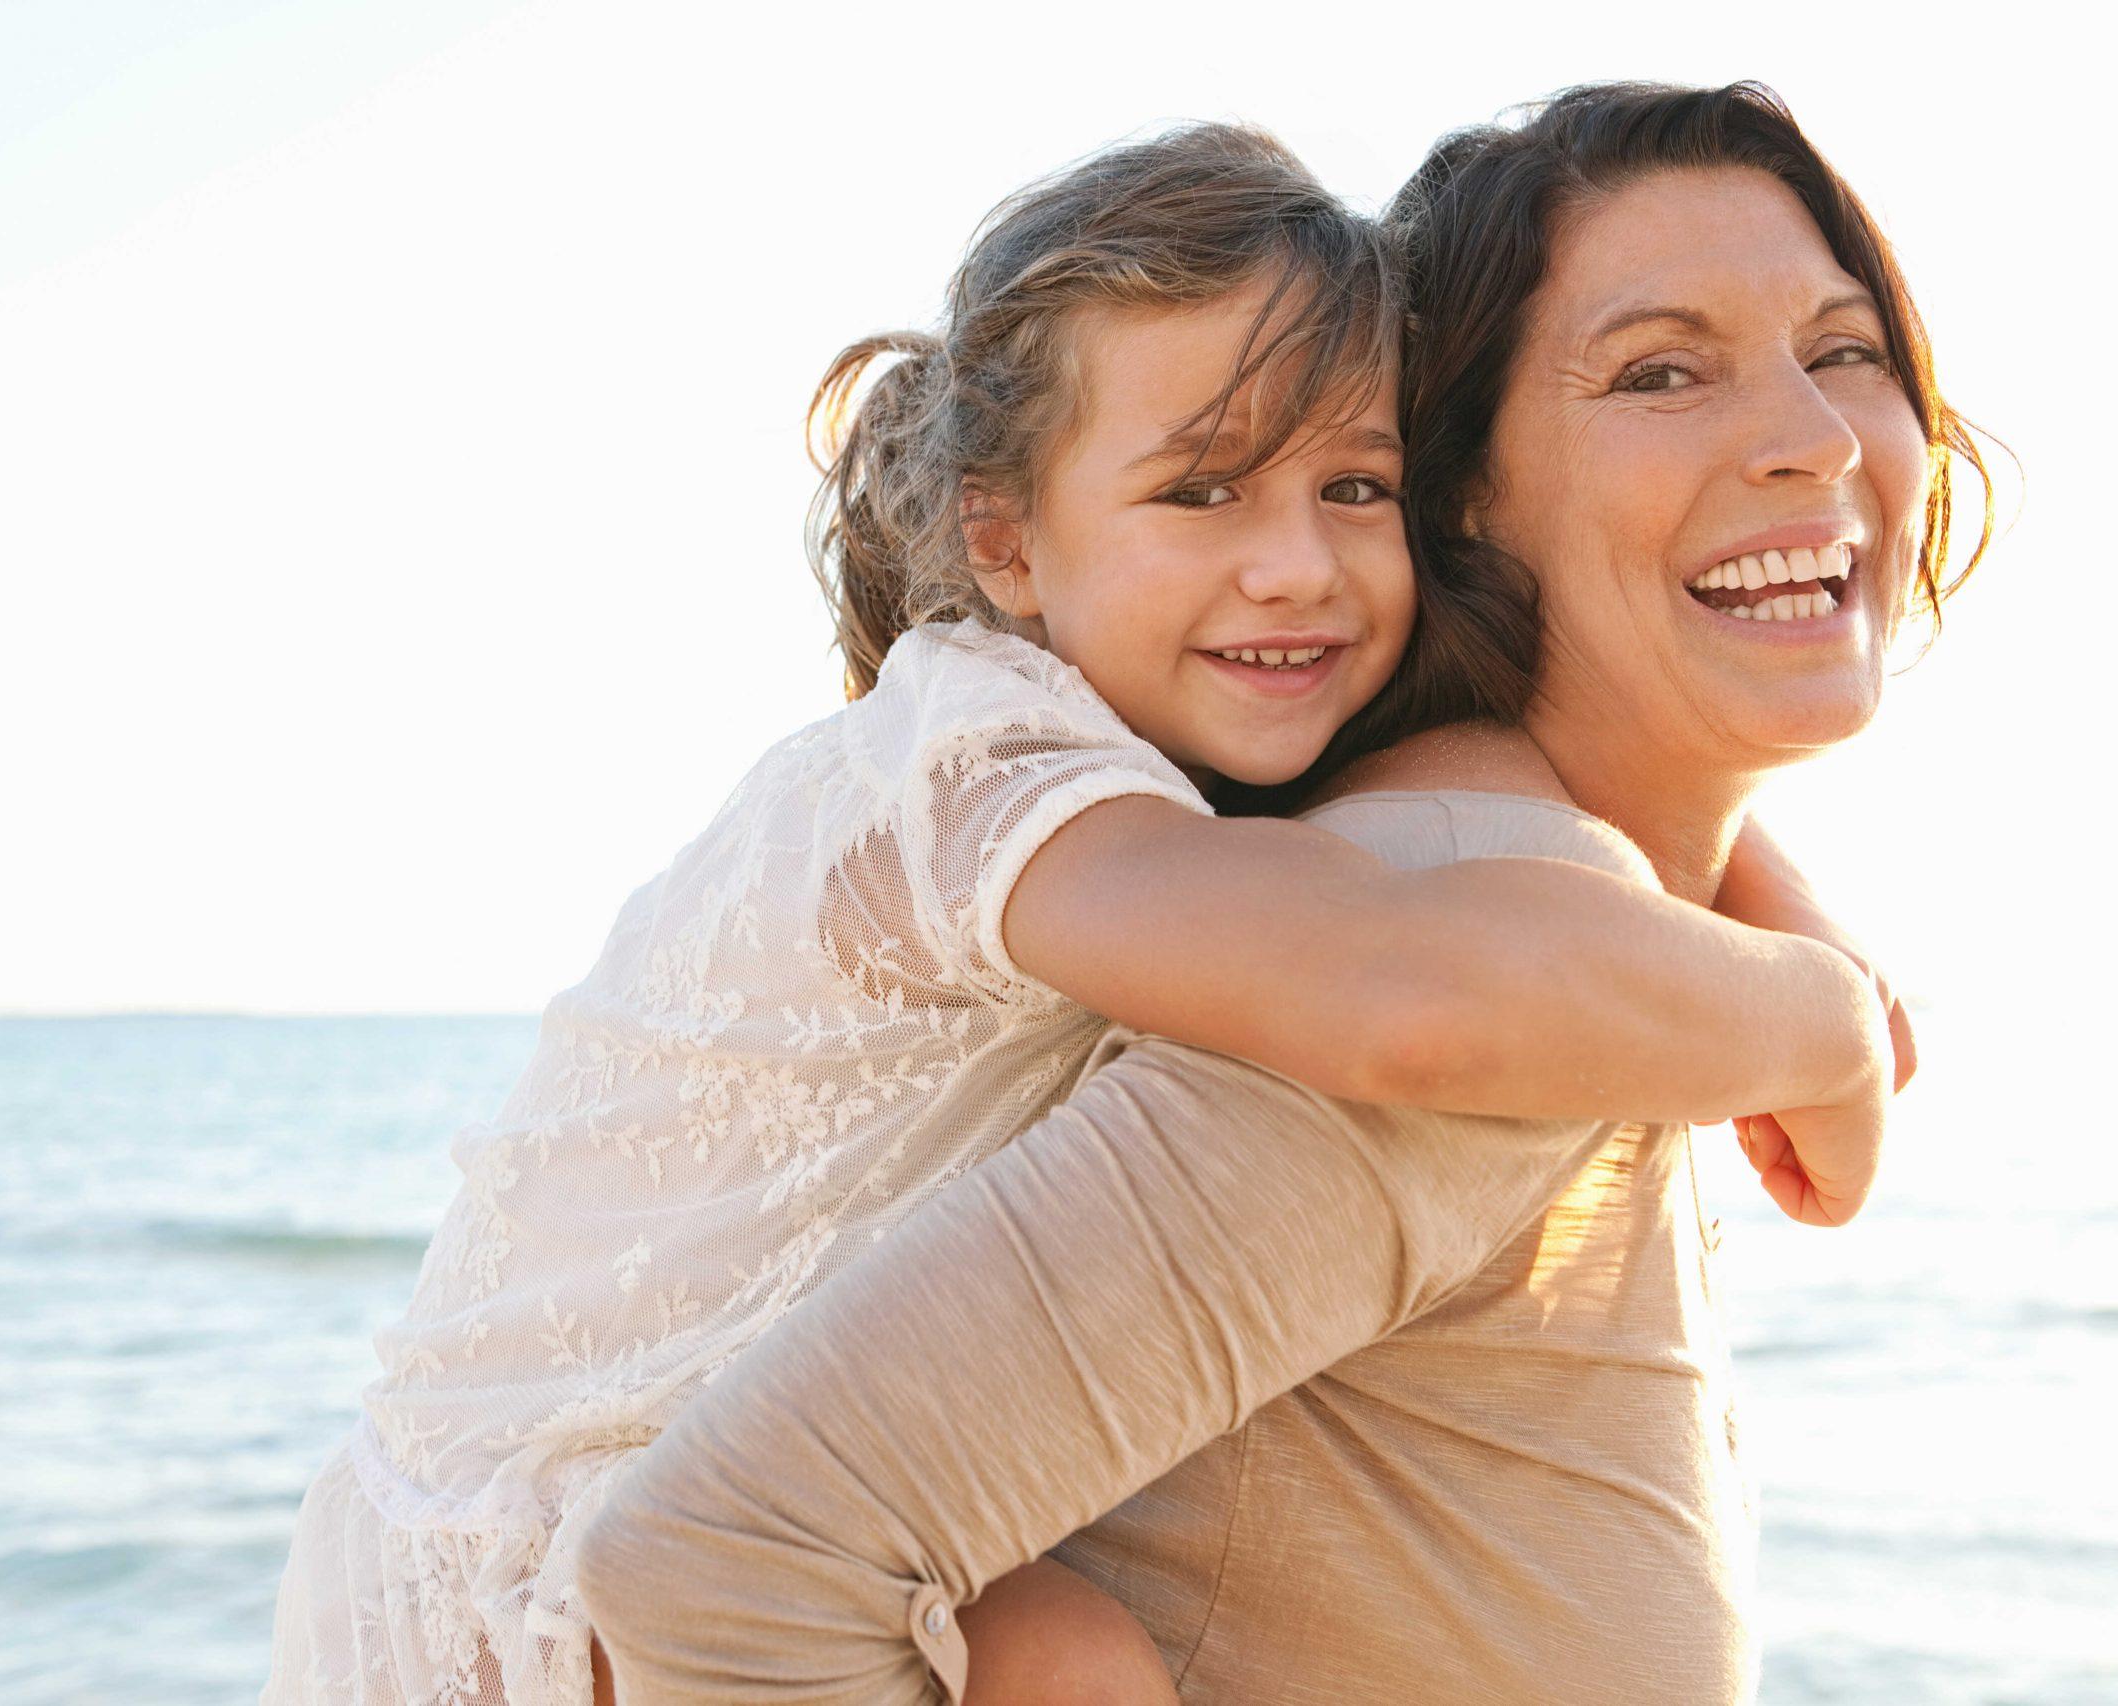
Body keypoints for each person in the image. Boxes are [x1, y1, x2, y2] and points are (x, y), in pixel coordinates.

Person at [262, 118, 1897, 1706]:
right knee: (1056, 1666)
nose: (1296, 568)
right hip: (518, 1548)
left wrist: (1765, 897)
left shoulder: (1248, 806)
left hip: (537, 1489)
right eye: (1660, 369)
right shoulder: (1019, 773)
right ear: (1005, 536)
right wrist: (1816, 1021)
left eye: (1350, 487)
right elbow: (1395, 989)